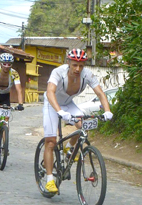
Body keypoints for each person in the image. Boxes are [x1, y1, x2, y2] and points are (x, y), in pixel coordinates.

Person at [43, 48, 113, 193]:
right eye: (75, 65)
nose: (77, 69)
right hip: (52, 103)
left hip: (68, 103)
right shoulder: (58, 72)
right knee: (51, 141)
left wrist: (107, 111)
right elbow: (50, 92)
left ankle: (69, 147)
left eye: (81, 66)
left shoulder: (87, 74)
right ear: (68, 62)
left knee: (83, 125)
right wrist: (60, 111)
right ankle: (49, 180)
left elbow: (100, 93)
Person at [0, 52, 24, 141]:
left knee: (5, 121)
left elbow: (19, 89)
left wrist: (20, 104)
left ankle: (4, 148)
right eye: (4, 64)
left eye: (9, 64)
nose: (6, 66)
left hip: (5, 96)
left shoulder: (14, 73)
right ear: (1, 64)